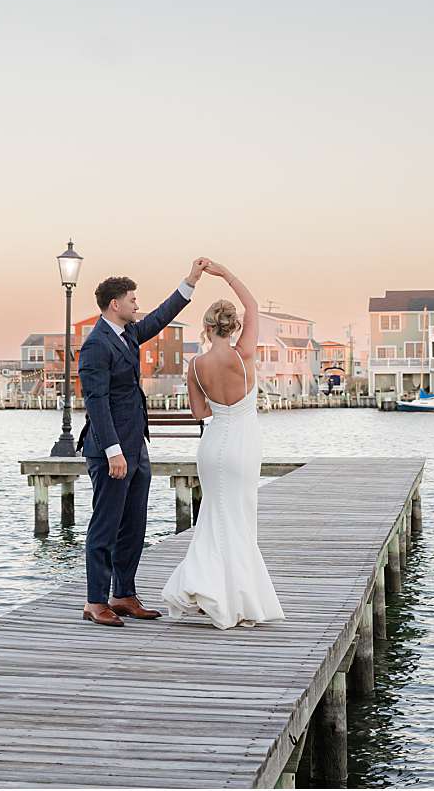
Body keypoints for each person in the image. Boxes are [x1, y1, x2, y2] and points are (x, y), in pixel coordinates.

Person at [76, 258, 209, 628]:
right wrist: (113, 451)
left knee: (134, 524)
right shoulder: (95, 346)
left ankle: (123, 594)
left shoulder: (129, 333)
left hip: (137, 446)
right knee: (106, 525)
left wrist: (191, 281)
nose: (138, 305)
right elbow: (96, 402)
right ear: (114, 304)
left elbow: (162, 316)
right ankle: (94, 601)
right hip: (111, 451)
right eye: (132, 300)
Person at [160, 261, 285, 629]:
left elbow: (199, 412)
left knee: (213, 519)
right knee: (241, 520)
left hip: (212, 446)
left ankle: (206, 588)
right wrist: (225, 273)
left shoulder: (196, 364)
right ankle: (239, 601)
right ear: (234, 327)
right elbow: (253, 305)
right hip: (244, 443)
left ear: (207, 327)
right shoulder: (244, 354)